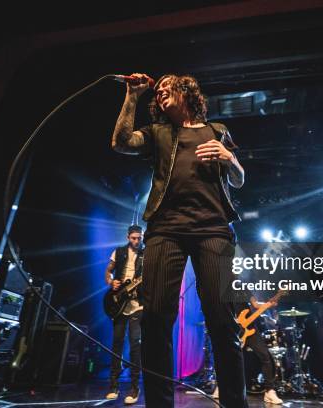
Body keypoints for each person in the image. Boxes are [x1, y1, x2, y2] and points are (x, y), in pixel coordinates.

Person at [111, 73, 247, 407]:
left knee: (221, 320)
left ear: (186, 91)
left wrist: (230, 159)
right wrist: (133, 95)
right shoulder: (157, 133)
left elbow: (240, 180)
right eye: (157, 92)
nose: (159, 92)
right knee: (155, 318)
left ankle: (235, 403)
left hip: (212, 229)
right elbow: (121, 142)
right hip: (165, 230)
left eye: (165, 86)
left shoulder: (217, 131)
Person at [104, 225, 144, 404]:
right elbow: (108, 271)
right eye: (133, 238)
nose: (136, 241)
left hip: (138, 305)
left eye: (139, 238)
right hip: (119, 303)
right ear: (128, 237)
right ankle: (113, 386)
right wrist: (111, 282)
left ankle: (134, 389)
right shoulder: (118, 252)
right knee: (117, 344)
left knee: (136, 345)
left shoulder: (146, 255)